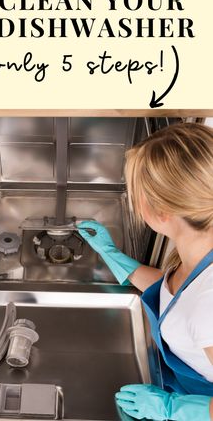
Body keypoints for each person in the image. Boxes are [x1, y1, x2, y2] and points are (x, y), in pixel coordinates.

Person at [77, 122, 213, 421]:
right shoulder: (198, 254)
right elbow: (175, 294)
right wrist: (111, 255)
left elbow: (197, 310)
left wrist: (172, 409)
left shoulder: (209, 308)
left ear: (161, 212)